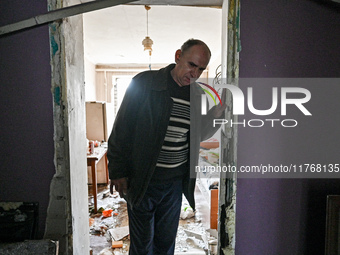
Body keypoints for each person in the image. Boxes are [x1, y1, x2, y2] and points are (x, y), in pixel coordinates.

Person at [107, 39, 225, 255]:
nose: (195, 74)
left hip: (173, 185)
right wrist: (117, 171)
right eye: (191, 65)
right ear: (178, 56)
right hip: (143, 181)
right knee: (142, 245)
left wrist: (215, 116)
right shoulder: (144, 83)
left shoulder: (197, 95)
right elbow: (121, 130)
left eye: (201, 69)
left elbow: (198, 134)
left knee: (165, 243)